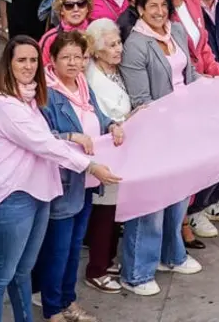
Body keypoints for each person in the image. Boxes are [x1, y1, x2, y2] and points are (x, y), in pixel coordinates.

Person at [0, 36, 118, 322]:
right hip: (11, 200)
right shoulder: (7, 105)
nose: (28, 66)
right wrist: (90, 166)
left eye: (32, 60)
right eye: (21, 60)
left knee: (22, 273)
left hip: (39, 195)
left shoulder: (28, 98)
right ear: (9, 63)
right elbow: (46, 144)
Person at [120, 0, 205, 294]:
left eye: (163, 6)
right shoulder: (136, 45)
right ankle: (137, 273)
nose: (159, 12)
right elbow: (140, 99)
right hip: (154, 132)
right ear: (140, 9)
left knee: (179, 195)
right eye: (152, 6)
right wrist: (171, 119)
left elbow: (190, 74)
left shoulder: (177, 33)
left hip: (184, 127)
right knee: (151, 205)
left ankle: (172, 255)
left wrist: (208, 91)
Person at [37, 31, 124, 322]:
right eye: (67, 58)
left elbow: (98, 116)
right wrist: (72, 136)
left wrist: (111, 125)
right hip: (64, 182)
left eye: (79, 57)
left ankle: (68, 301)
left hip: (86, 182)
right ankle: (53, 309)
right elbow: (43, 138)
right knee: (58, 251)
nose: (74, 63)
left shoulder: (83, 86)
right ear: (52, 60)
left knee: (74, 248)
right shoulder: (46, 94)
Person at [81, 19, 128, 293]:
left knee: (114, 212)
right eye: (111, 45)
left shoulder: (115, 70)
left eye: (118, 42)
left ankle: (108, 259)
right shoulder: (92, 79)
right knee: (104, 212)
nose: (118, 49)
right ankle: (96, 268)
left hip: (121, 148)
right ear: (97, 51)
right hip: (105, 150)